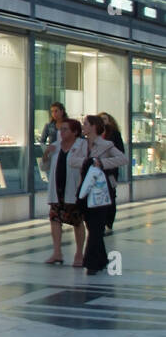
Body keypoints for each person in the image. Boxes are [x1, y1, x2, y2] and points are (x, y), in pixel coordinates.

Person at [81, 114, 127, 276]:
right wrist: (86, 163)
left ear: (94, 126)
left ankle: (91, 262)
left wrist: (102, 164)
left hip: (100, 190)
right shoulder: (81, 144)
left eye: (85, 124)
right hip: (83, 189)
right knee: (91, 226)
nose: (83, 126)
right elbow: (72, 160)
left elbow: (123, 159)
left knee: (95, 228)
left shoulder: (106, 145)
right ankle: (100, 259)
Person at [45, 118, 88, 267]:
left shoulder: (82, 145)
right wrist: (46, 154)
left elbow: (86, 164)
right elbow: (45, 167)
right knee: (55, 219)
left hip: (74, 189)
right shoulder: (56, 146)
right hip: (57, 189)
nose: (61, 132)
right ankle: (57, 252)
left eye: (65, 129)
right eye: (60, 129)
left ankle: (79, 253)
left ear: (75, 132)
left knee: (77, 221)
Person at [98, 112, 125, 233]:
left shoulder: (114, 134)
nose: (103, 121)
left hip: (111, 172)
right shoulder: (96, 135)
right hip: (98, 172)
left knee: (111, 194)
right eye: (100, 119)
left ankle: (109, 221)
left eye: (105, 119)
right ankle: (101, 221)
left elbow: (121, 153)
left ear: (110, 120)